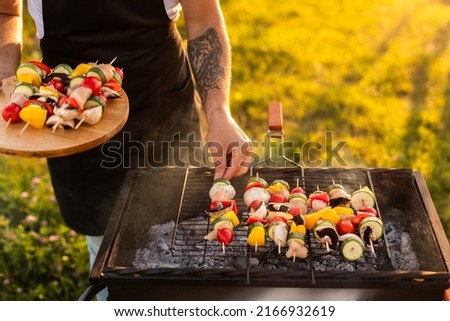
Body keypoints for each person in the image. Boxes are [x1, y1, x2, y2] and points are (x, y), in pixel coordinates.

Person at [0, 0, 251, 300]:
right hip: (72, 117)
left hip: (162, 105)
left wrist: (218, 112)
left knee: (183, 232)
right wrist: (4, 84)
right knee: (106, 248)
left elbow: (203, 16)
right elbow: (5, 9)